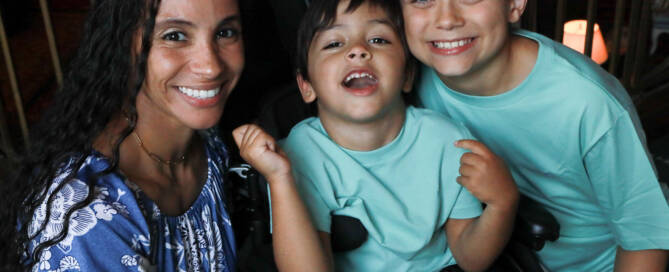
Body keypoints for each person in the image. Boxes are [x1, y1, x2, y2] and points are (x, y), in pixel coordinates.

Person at [233, 0, 519, 271]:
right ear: (306, 86)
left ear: (407, 74)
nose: (358, 50)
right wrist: (279, 179)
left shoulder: (448, 140)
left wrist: (502, 203)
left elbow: (470, 259)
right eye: (334, 43)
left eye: (378, 40)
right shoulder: (301, 153)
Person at [400, 0, 669, 271]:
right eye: (422, 0)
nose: (446, 20)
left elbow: (646, 240)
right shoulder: (406, 78)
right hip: (493, 249)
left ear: (515, 5)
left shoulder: (587, 102)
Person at [1, 0, 244, 270]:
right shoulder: (89, 215)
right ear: (122, 45)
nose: (211, 67)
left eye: (225, 32)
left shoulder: (209, 142)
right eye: (174, 36)